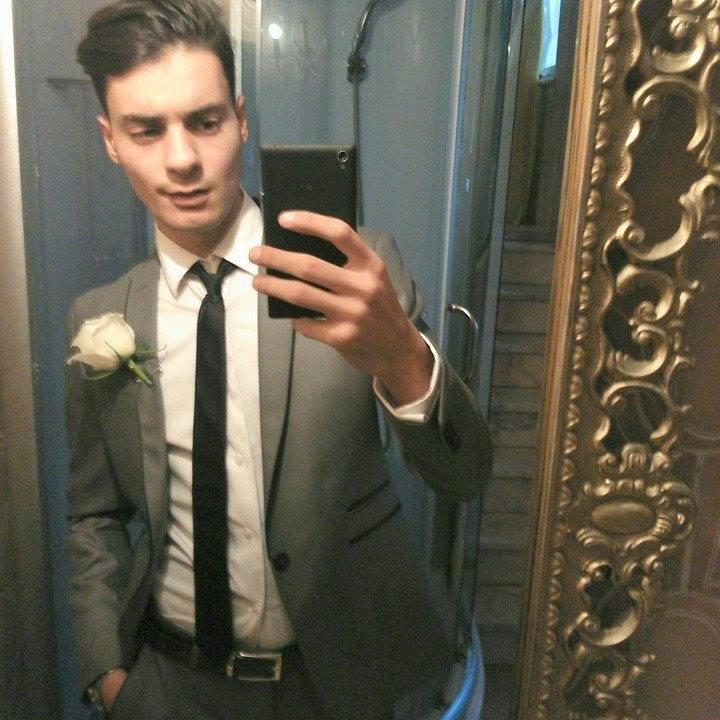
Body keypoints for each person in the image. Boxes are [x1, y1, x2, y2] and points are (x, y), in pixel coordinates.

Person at [65, 1, 492, 718]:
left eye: (205, 122)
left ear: (240, 120)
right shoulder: (98, 318)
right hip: (166, 685)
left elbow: (463, 474)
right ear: (111, 140)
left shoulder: (354, 276)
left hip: (332, 684)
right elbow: (93, 516)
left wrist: (402, 359)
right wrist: (108, 671)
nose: (182, 159)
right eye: (147, 130)